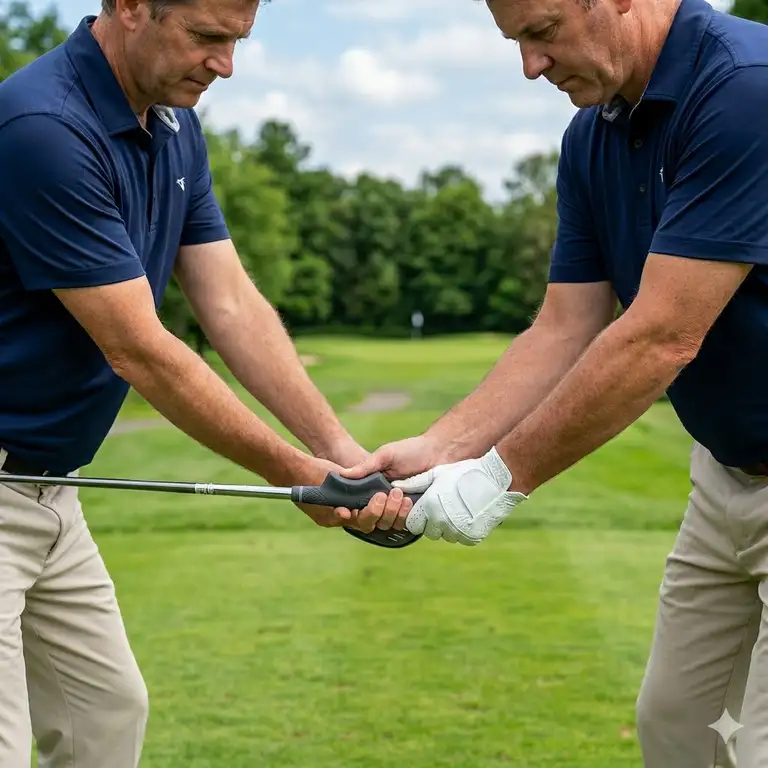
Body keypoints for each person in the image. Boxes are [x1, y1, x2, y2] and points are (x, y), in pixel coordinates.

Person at [347, 0, 768, 765]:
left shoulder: (745, 88)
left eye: (541, 33)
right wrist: (443, 448)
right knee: (677, 731)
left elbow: (662, 336)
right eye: (516, 42)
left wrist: (499, 479)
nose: (530, 66)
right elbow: (565, 328)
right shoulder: (592, 135)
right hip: (725, 480)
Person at [0, 1, 406, 765]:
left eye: (237, 41)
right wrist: (298, 478)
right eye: (208, 37)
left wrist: (342, 456)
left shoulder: (175, 125)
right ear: (128, 9)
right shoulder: (42, 129)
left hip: (55, 492)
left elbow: (229, 304)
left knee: (106, 721)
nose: (225, 65)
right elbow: (141, 351)